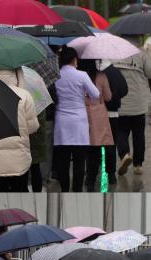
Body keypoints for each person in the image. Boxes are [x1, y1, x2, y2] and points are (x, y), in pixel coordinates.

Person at [0, 68, 40, 191]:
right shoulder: (25, 95)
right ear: (16, 74)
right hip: (19, 159)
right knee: (20, 190)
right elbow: (32, 128)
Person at [53, 46, 100, 192]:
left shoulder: (55, 75)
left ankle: (64, 190)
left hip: (62, 122)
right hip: (79, 123)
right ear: (74, 59)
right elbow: (96, 94)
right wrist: (85, 96)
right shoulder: (82, 75)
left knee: (63, 162)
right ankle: (77, 190)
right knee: (79, 162)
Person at [112, 37, 151, 176]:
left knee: (121, 132)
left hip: (120, 102)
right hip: (138, 103)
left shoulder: (114, 52)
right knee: (138, 134)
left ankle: (124, 155)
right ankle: (138, 165)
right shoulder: (141, 53)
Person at [78, 59, 113, 192]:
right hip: (99, 116)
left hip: (82, 114)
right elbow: (108, 97)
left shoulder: (79, 77)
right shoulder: (101, 76)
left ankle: (85, 177)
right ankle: (91, 179)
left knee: (84, 149)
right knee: (96, 150)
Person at [100, 60, 129, 185]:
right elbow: (124, 90)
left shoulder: (95, 72)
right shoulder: (115, 72)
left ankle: (95, 173)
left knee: (95, 145)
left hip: (97, 114)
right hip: (113, 113)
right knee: (111, 144)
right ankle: (111, 174)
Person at [29, 110, 48, 192]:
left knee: (30, 168)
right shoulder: (38, 97)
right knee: (35, 167)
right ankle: (37, 193)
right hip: (37, 137)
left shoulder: (22, 98)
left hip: (28, 138)